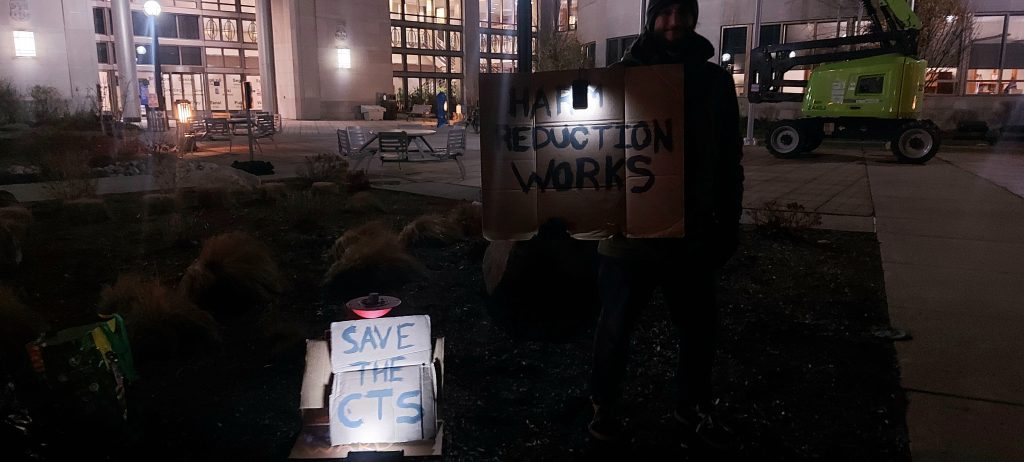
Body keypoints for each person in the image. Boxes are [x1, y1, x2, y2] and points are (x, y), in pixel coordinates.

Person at [588, 0, 744, 451]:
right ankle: (605, 408)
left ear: (693, 16)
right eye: (664, 12)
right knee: (614, 327)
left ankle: (691, 407)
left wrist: (728, 224)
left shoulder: (714, 82)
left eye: (682, 11)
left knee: (699, 329)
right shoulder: (618, 78)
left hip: (692, 235)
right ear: (650, 17)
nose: (673, 22)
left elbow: (729, 159)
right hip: (627, 236)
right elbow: (587, 148)